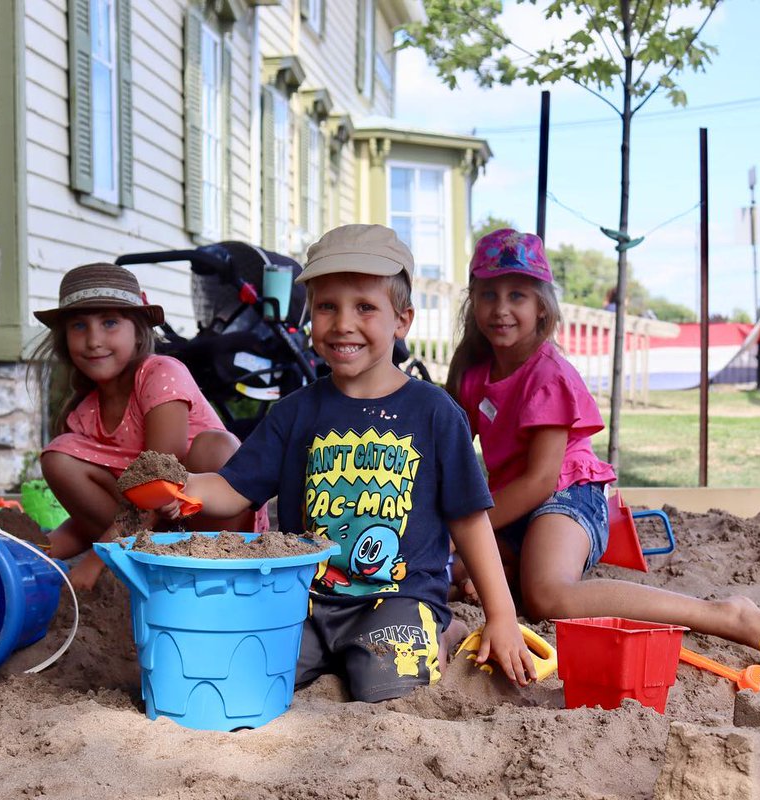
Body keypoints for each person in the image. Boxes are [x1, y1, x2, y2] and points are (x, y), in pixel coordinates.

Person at [180, 224, 537, 701]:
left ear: (402, 320)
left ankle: (440, 629)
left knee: (388, 688)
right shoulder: (294, 412)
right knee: (247, 672)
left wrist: (502, 617)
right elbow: (234, 489)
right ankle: (370, 644)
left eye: (365, 307)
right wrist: (183, 487)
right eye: (327, 306)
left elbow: (470, 520)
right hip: (304, 601)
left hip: (397, 599)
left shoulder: (434, 413)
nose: (343, 323)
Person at [446, 228, 760, 651]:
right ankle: (512, 565)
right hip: (509, 503)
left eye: (517, 296)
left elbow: (541, 481)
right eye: (489, 294)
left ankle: (723, 614)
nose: (501, 309)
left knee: (548, 597)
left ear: (542, 307)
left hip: (565, 495)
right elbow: (450, 452)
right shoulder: (472, 373)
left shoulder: (548, 375)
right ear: (473, 302)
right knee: (444, 568)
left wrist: (465, 528)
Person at [33, 262, 258, 591]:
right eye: (79, 326)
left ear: (138, 331)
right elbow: (88, 522)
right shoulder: (83, 414)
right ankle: (142, 560)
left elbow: (160, 486)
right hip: (145, 532)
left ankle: (212, 566)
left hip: (206, 523)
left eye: (109, 322)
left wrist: (96, 562)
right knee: (58, 456)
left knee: (217, 446)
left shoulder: (160, 374)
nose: (94, 340)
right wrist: (37, 550)